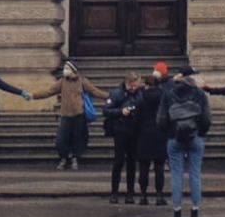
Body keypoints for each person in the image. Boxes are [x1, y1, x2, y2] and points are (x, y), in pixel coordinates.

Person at [158, 66, 213, 217]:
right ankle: (195, 212)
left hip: (175, 138)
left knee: (176, 175)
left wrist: (168, 132)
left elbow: (161, 119)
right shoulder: (199, 94)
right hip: (195, 137)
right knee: (195, 174)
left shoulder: (169, 95)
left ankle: (176, 213)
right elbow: (207, 118)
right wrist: (200, 132)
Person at [43, 61, 104, 170]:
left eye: (67, 68)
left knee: (78, 137)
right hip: (65, 115)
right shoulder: (62, 82)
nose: (64, 70)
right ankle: (63, 157)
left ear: (73, 70)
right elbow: (49, 91)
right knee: (61, 139)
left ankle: (75, 157)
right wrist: (33, 95)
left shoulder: (82, 81)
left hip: (79, 114)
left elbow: (94, 91)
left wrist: (109, 96)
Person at [104, 73, 145, 203]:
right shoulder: (117, 94)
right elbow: (106, 110)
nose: (133, 88)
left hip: (135, 131)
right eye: (131, 86)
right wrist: (120, 112)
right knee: (118, 162)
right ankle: (114, 192)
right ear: (126, 83)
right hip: (120, 131)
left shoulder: (140, 94)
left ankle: (130, 193)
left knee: (132, 163)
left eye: (135, 85)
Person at [133, 65, 170, 204]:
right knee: (159, 167)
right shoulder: (163, 98)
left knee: (143, 167)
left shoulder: (140, 100)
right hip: (160, 135)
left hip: (144, 136)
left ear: (146, 85)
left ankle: (143, 195)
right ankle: (159, 195)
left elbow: (136, 120)